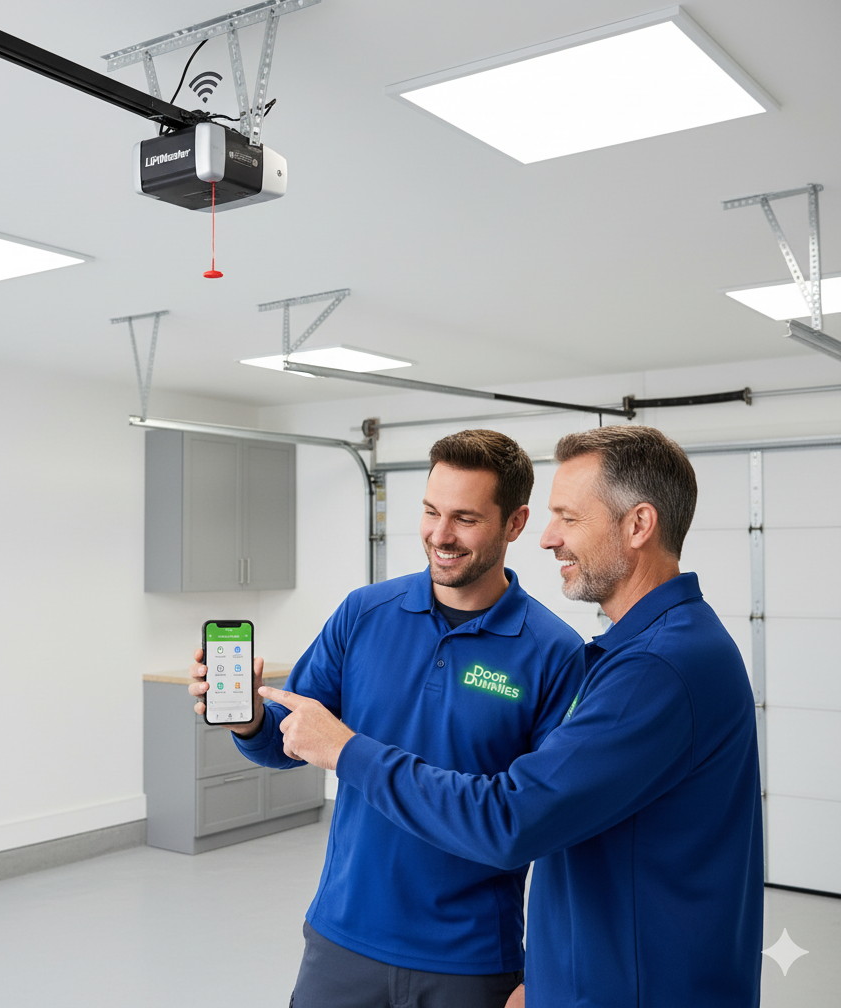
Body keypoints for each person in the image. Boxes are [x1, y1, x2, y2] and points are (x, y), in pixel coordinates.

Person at [264, 425, 763, 1008]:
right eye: (430, 511)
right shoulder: (640, 651)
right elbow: (576, 822)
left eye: (569, 518)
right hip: (375, 941)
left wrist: (348, 751)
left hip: (610, 983)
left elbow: (515, 819)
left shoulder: (650, 668)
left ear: (637, 525)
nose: (551, 538)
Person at [189, 430, 585, 1008]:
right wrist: (249, 719)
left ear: (516, 523)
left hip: (470, 959)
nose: (440, 536)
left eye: (465, 519)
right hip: (342, 941)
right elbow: (287, 739)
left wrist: (544, 975)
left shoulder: (555, 653)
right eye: (430, 511)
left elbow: (554, 828)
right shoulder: (363, 614)